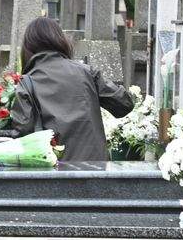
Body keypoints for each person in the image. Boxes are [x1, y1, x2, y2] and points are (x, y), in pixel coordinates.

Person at [8, 16, 134, 162]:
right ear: (60, 40)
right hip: (95, 168)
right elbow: (124, 104)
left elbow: (22, 135)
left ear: (28, 47)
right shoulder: (87, 73)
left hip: (54, 170)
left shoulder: (28, 83)